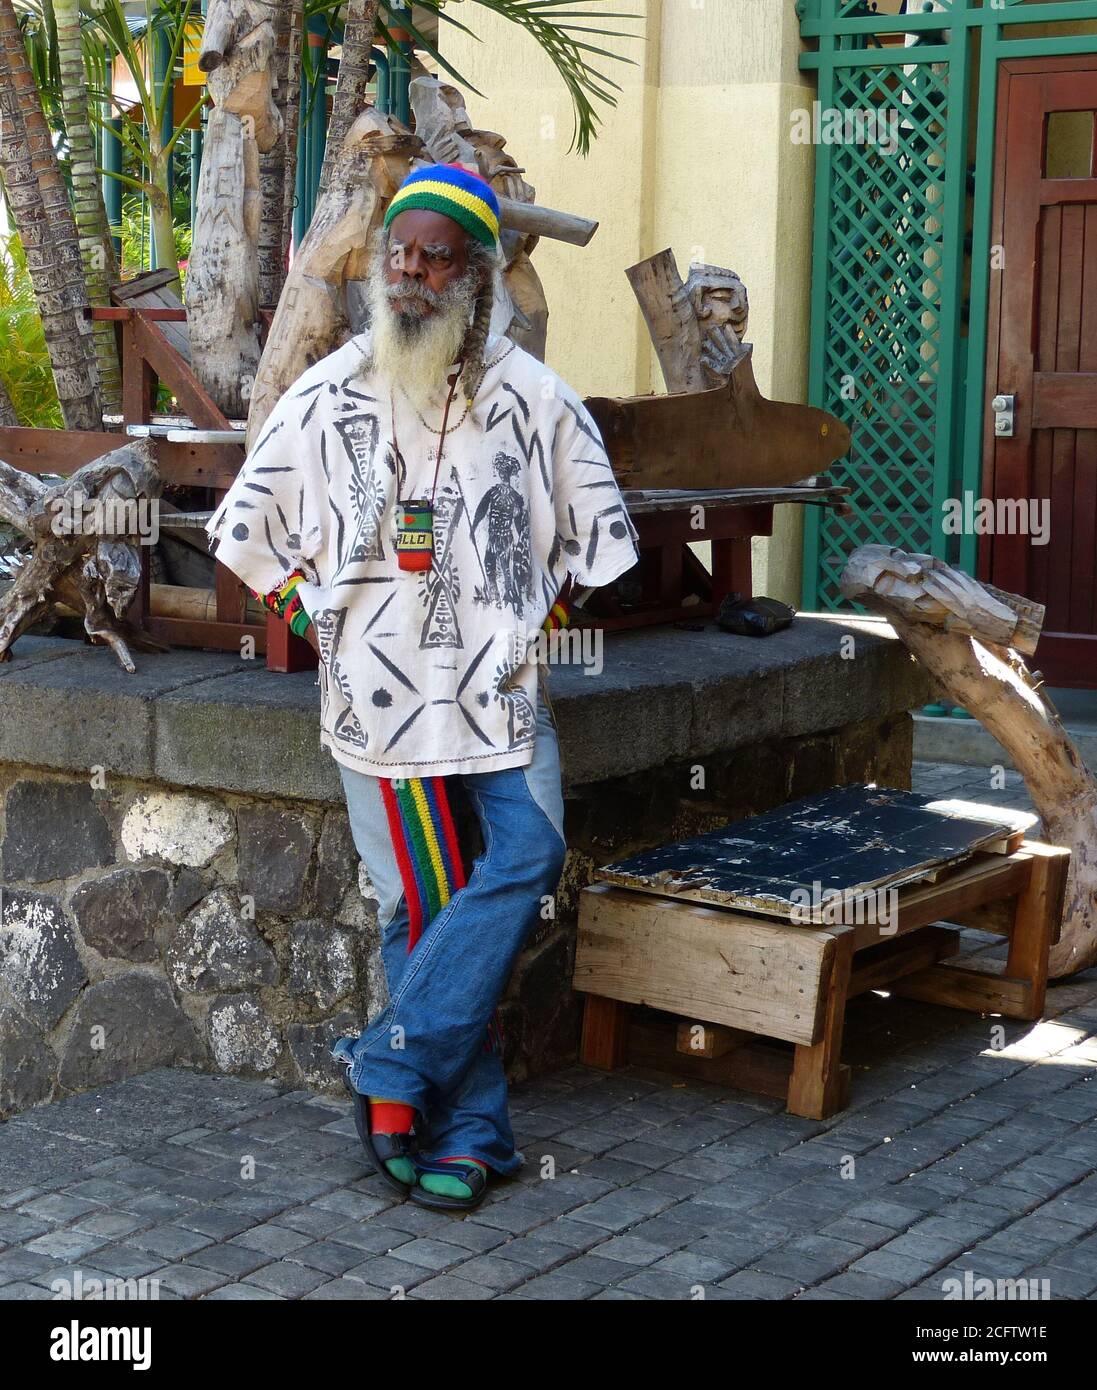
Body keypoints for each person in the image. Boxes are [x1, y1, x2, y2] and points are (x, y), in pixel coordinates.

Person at [206, 162, 640, 1211]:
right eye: (397, 253)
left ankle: (393, 1060)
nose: (407, 272)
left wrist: (540, 626)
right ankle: (473, 1122)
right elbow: (244, 532)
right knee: (415, 900)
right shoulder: (327, 391)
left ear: (474, 277)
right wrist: (322, 628)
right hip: (377, 706)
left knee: (527, 852)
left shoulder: (535, 399)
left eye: (432, 257)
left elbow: (603, 544)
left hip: (497, 698)